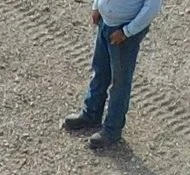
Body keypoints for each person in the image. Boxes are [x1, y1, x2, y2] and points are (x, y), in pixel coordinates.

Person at [63, 0, 162, 150]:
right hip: (106, 23)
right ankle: (91, 114)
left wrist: (126, 32)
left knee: (120, 82)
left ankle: (112, 130)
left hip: (124, 33)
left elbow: (152, 8)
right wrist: (96, 7)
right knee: (100, 71)